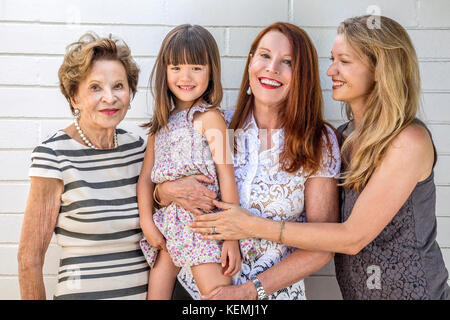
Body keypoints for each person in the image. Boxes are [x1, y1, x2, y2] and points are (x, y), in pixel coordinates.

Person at [191, 16, 450, 300]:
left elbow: (351, 237)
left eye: (344, 61)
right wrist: (161, 191)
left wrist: (249, 226)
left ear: (381, 70)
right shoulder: (345, 138)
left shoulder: (407, 141)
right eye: (332, 59)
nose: (330, 71)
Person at [155, 22, 341, 300]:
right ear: (250, 61)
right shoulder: (217, 122)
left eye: (287, 62)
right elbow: (158, 182)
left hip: (272, 295)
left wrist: (248, 291)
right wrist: (166, 191)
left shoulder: (319, 140)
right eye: (264, 56)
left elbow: (323, 246)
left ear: (302, 75)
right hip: (196, 289)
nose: (272, 68)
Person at [17, 33, 149, 300]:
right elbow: (28, 259)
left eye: (119, 86)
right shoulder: (53, 154)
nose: (109, 98)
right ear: (74, 97)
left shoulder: (140, 150)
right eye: (95, 87)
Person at [137, 24, 257, 300]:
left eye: (196, 67)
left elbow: (226, 176)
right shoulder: (160, 125)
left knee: (216, 296)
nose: (185, 76)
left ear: (211, 71)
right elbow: (145, 180)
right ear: (164, 72)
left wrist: (231, 236)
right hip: (168, 226)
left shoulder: (209, 118)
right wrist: (146, 221)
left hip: (202, 226)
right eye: (176, 67)